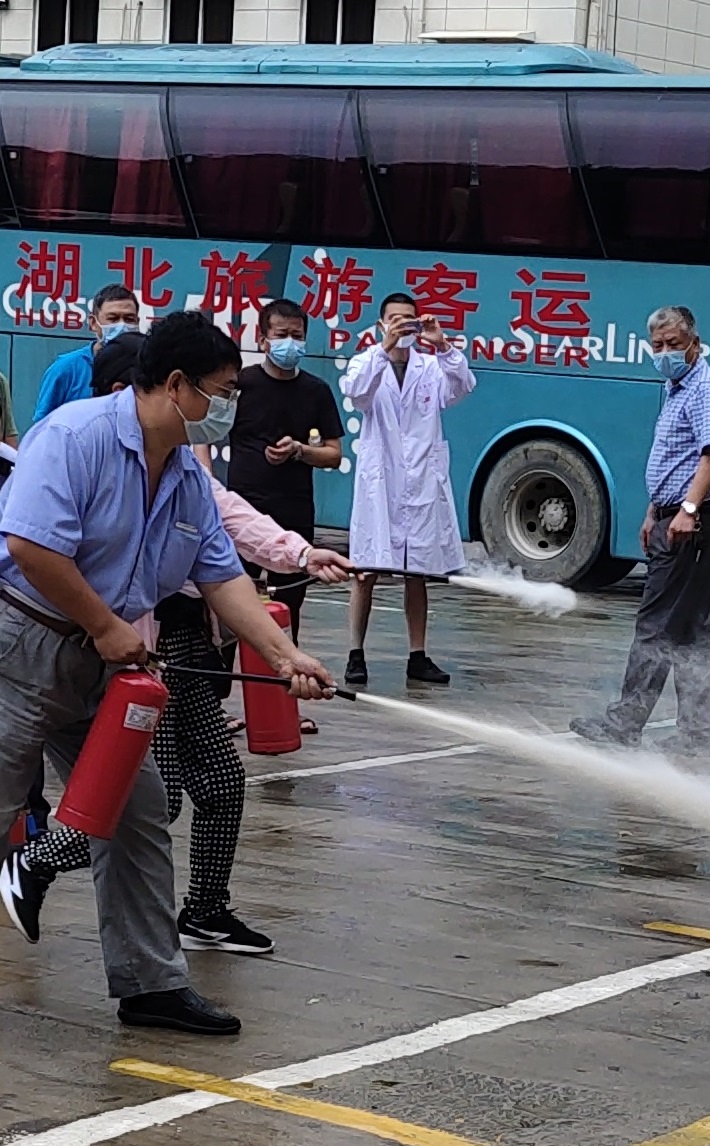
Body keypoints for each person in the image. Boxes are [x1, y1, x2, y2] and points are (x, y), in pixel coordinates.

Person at [0, 311, 332, 1034]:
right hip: (21, 645)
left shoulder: (183, 473)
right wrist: (106, 625)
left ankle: (150, 984)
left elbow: (221, 577)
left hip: (107, 667)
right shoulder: (74, 438)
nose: (226, 409)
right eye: (219, 392)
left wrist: (286, 658)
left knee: (138, 811)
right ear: (174, 384)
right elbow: (31, 546)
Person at [571, 305, 710, 758]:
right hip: (675, 518)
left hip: (692, 525)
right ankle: (698, 737)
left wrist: (685, 511)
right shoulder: (676, 387)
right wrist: (653, 512)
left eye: (673, 345)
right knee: (690, 632)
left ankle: (626, 722)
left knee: (657, 625)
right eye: (657, 346)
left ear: (694, 344)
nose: (664, 353)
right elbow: (673, 460)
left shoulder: (706, 390)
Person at [341, 291, 475, 687]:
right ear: (382, 324)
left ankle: (417, 655)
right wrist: (383, 349)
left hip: (419, 484)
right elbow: (355, 391)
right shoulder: (367, 361)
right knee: (365, 570)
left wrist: (444, 344)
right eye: (394, 319)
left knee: (416, 572)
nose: (403, 326)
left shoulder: (431, 367)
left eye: (409, 320)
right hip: (379, 485)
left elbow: (463, 385)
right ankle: (355, 653)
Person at [226, 299, 346, 734]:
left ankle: (284, 704)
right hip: (242, 509)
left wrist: (300, 450)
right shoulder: (242, 384)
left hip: (294, 509)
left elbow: (333, 454)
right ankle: (221, 704)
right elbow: (203, 431)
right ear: (262, 338)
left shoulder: (315, 391)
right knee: (226, 602)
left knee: (289, 607)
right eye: (281, 335)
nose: (290, 343)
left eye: (297, 335)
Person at [32, 284, 141, 427]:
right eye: (113, 319)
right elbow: (41, 428)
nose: (121, 325)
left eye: (129, 319)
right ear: (93, 323)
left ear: (138, 322)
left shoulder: (147, 368)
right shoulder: (65, 369)